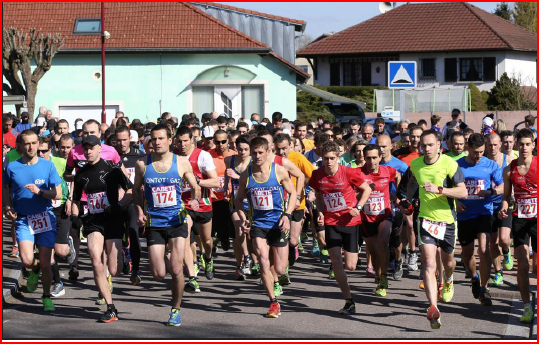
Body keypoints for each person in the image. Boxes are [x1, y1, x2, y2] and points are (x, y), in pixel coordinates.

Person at [399, 129, 468, 329]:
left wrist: (440, 190)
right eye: (424, 145)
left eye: (431, 145)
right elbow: (411, 184)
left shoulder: (449, 163)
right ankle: (433, 308)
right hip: (425, 220)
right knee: (429, 264)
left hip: (446, 221)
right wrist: (408, 201)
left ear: (439, 145)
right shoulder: (416, 164)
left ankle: (448, 277)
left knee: (448, 263)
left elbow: (463, 191)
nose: (427, 149)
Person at [133, 124, 200, 326]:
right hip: (154, 222)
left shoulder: (181, 162)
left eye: (161, 138)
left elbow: (195, 187)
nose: (157, 142)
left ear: (170, 140)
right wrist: (138, 209)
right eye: (154, 139)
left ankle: (175, 309)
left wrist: (195, 200)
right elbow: (136, 189)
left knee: (177, 270)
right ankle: (169, 256)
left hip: (177, 220)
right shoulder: (142, 165)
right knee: (158, 273)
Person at [71, 135, 131, 322]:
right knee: (96, 260)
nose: (88, 151)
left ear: (99, 148)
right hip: (93, 220)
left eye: (91, 148)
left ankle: (123, 257)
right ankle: (110, 307)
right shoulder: (81, 173)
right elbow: (75, 199)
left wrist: (119, 206)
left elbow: (130, 190)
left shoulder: (112, 169)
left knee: (114, 270)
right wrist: (75, 216)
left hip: (112, 219)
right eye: (85, 148)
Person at [234, 137, 296, 318]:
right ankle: (273, 302)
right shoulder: (247, 174)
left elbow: (293, 194)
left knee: (279, 269)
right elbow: (238, 199)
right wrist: (243, 217)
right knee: (262, 260)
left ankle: (289, 254)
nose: (257, 156)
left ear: (269, 152)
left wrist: (287, 215)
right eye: (254, 153)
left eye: (261, 152)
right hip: (258, 224)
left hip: (278, 224)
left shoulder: (279, 171)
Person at [3, 129, 63, 312]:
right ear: (20, 146)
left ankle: (46, 296)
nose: (31, 147)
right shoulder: (12, 167)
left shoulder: (48, 166)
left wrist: (40, 192)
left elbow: (58, 193)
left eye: (34, 143)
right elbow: (6, 188)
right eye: (27, 143)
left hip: (45, 217)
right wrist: (7, 207)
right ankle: (34, 269)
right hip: (23, 219)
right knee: (28, 260)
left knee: (46, 263)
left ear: (39, 144)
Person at [309, 141, 371, 314]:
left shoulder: (348, 172)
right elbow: (320, 198)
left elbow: (366, 190)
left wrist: (358, 208)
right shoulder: (317, 175)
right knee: (336, 262)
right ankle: (348, 300)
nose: (328, 162)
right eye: (325, 158)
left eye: (331, 158)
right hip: (331, 223)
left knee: (351, 266)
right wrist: (320, 213)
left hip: (350, 222)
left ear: (338, 157)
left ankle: (354, 259)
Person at [63, 119, 123, 281]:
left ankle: (105, 274)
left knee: (101, 240)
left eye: (92, 132)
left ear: (99, 134)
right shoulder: (75, 151)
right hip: (82, 198)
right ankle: (74, 265)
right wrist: (79, 176)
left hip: (104, 201)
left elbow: (122, 174)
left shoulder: (110, 151)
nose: (89, 135)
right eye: (86, 132)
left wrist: (120, 195)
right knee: (75, 231)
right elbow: (67, 174)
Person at [456, 133, 503, 306]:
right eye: (475, 152)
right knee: (467, 253)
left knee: (484, 249)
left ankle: (484, 288)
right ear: (468, 148)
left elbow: (502, 185)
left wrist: (491, 191)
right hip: (465, 214)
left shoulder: (490, 164)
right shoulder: (457, 165)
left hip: (484, 212)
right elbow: (448, 187)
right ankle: (474, 278)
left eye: (482, 152)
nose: (479, 155)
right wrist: (455, 201)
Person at [498, 128, 536, 324]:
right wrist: (504, 208)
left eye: (528, 144)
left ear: (533, 145)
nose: (524, 148)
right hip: (520, 219)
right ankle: (527, 306)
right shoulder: (509, 169)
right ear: (516, 146)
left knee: (536, 266)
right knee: (522, 263)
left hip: (537, 220)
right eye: (521, 144)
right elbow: (506, 197)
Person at [175, 126, 219, 290]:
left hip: (203, 203)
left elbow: (215, 182)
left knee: (206, 241)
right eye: (179, 141)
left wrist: (195, 182)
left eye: (185, 140)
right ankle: (192, 277)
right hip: (183, 204)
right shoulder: (173, 156)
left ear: (192, 139)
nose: (182, 144)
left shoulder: (202, 156)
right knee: (185, 238)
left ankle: (208, 258)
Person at [37, 136, 76, 298]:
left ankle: (68, 243)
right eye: (38, 151)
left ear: (50, 150)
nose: (41, 154)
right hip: (43, 211)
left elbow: (73, 179)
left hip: (60, 208)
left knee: (61, 250)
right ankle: (58, 283)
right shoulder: (31, 165)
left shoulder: (59, 162)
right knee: (47, 251)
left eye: (44, 151)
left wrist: (70, 199)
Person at [274, 133, 314, 283]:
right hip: (279, 205)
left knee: (292, 241)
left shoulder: (298, 158)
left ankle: (289, 258)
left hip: (297, 204)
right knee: (280, 239)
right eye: (278, 149)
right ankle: (283, 271)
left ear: (290, 145)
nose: (282, 152)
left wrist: (299, 195)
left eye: (284, 148)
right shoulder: (272, 160)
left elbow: (311, 175)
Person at [360, 145, 399, 297]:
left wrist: (397, 194)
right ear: (364, 158)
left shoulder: (387, 171)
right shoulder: (358, 173)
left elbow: (397, 176)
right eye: (368, 158)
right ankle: (378, 276)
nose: (371, 161)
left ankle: (384, 277)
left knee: (383, 241)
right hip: (366, 218)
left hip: (384, 214)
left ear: (380, 158)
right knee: (374, 251)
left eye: (374, 158)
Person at [114, 126, 145, 285]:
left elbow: (143, 181)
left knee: (133, 232)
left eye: (124, 140)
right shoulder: (111, 155)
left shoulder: (139, 156)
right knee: (117, 237)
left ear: (130, 139)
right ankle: (122, 258)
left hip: (133, 202)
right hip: (116, 203)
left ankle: (136, 270)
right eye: (118, 140)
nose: (121, 143)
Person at [225, 135, 257, 279]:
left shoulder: (254, 161)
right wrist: (226, 185)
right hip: (236, 202)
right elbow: (227, 174)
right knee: (239, 229)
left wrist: (238, 177)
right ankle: (246, 259)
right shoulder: (229, 160)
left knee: (251, 235)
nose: (243, 152)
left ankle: (255, 262)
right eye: (240, 149)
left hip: (252, 203)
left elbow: (257, 181)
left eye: (246, 149)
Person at [486, 133, 513, 287]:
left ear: (500, 144)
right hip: (488, 206)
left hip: (504, 202)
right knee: (492, 242)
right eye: (489, 145)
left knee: (503, 239)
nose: (492, 148)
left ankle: (507, 250)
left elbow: (512, 183)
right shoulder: (483, 161)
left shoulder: (507, 160)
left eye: (495, 145)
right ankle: (498, 272)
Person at [208, 129, 236, 260]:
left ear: (228, 141)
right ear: (214, 142)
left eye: (223, 141)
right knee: (218, 223)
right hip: (214, 197)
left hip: (231, 197)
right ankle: (221, 237)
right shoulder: (207, 155)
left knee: (231, 225)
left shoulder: (235, 156)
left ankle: (225, 237)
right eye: (217, 142)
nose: (220, 144)